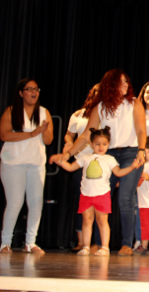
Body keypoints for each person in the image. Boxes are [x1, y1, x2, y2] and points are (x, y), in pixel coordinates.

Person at [50, 69, 147, 256]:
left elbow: (141, 130)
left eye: (127, 81)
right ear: (111, 85)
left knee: (125, 198)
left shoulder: (134, 103)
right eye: (121, 82)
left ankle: (127, 243)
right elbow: (87, 135)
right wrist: (67, 155)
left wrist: (141, 150)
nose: (126, 85)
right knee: (98, 196)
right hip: (107, 154)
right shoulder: (100, 107)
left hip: (131, 152)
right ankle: (96, 243)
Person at [53, 127, 142, 256]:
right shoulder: (85, 157)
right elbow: (71, 167)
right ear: (91, 144)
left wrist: (132, 167)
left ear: (108, 145)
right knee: (87, 220)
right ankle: (86, 247)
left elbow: (118, 172)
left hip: (102, 195)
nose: (101, 147)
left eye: (104, 144)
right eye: (97, 144)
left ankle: (105, 247)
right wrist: (61, 161)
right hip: (86, 195)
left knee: (102, 220)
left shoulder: (110, 159)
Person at [0, 78, 54, 254]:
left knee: (36, 203)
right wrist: (31, 133)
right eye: (29, 89)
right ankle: (5, 243)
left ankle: (30, 242)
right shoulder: (12, 111)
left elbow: (48, 140)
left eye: (36, 89)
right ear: (21, 93)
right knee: (15, 203)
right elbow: (4, 135)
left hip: (36, 164)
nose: (34, 92)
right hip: (13, 163)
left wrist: (43, 132)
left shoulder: (44, 112)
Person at [63, 83, 99, 251]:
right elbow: (69, 134)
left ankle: (97, 242)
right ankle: (81, 241)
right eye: (96, 92)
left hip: (98, 162)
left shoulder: (107, 114)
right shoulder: (78, 115)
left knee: (99, 202)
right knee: (81, 201)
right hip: (79, 161)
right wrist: (69, 145)